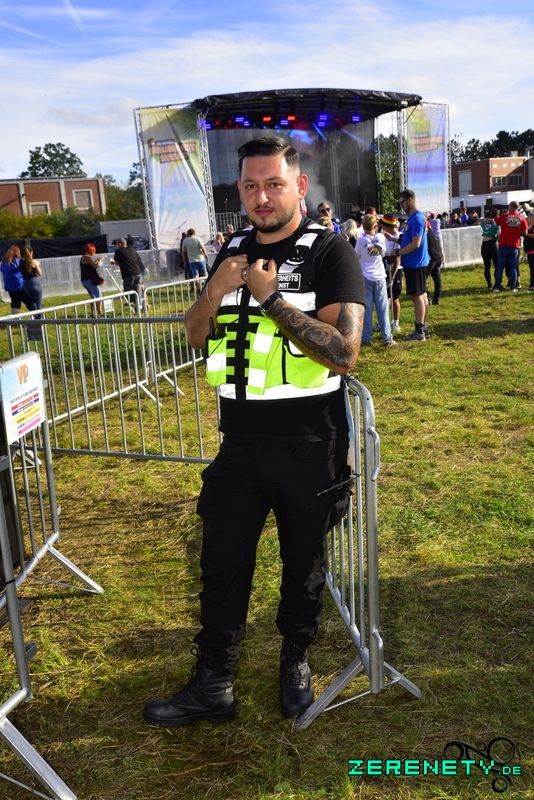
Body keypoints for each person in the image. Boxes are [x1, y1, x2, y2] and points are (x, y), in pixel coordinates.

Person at [142, 135, 365, 728]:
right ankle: (213, 683)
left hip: (311, 443)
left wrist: (269, 299)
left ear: (299, 186)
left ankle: (296, 662)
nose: (261, 197)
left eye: (273, 184)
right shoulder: (232, 249)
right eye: (249, 185)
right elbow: (196, 336)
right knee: (222, 561)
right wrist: (216, 291)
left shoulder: (330, 252)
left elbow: (344, 353)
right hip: (238, 442)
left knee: (303, 563)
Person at [356, 214, 395, 346]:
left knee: (367, 309)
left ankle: (366, 337)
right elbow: (385, 253)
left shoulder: (361, 241)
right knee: (382, 308)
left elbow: (356, 255)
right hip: (379, 276)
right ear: (375, 226)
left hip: (365, 276)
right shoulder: (381, 237)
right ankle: (387, 337)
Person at [397, 190, 430, 341]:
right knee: (422, 295)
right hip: (417, 262)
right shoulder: (415, 217)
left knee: (417, 297)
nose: (401, 206)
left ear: (409, 200)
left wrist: (398, 252)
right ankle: (423, 328)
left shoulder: (416, 218)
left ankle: (419, 331)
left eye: (402, 202)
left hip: (415, 263)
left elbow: (416, 243)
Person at [491, 202, 528, 292]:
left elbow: (494, 221)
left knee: (500, 267)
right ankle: (513, 287)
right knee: (513, 267)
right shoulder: (521, 218)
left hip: (503, 245)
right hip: (514, 245)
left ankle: (497, 286)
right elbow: (525, 233)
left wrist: (483, 220)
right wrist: (517, 233)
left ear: (511, 207)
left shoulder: (505, 217)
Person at [380, 214, 402, 332]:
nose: (382, 227)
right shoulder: (383, 236)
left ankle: (395, 322)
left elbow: (397, 258)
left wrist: (392, 276)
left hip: (395, 270)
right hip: (385, 268)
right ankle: (383, 322)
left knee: (394, 297)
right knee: (385, 297)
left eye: (383, 225)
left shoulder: (397, 236)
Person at [111, 237, 145, 304]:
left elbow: (117, 261)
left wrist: (113, 262)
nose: (116, 246)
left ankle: (133, 302)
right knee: (138, 292)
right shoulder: (132, 250)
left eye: (117, 244)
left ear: (120, 244)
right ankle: (139, 306)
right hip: (138, 273)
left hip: (128, 274)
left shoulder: (118, 251)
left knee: (128, 291)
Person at [1, 245, 31, 315]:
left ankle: (15, 319)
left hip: (9, 286)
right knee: (29, 301)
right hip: (19, 284)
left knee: (15, 303)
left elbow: (2, 270)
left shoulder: (4, 261)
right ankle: (37, 317)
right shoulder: (17, 260)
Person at [80, 243, 104, 317]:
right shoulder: (88, 257)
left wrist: (97, 260)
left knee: (92, 297)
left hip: (84, 280)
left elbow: (90, 266)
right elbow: (95, 266)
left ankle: (93, 313)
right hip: (89, 280)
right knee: (99, 296)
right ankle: (100, 313)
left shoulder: (83, 257)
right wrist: (100, 261)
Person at [480, 209, 500, 290]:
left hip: (484, 245)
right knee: (497, 265)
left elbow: (481, 221)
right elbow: (499, 234)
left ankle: (489, 284)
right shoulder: (496, 223)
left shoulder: (484, 222)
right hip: (492, 244)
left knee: (487, 266)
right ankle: (497, 283)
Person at [20, 246, 43, 312]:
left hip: (26, 283)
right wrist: (37, 265)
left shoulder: (21, 262)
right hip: (34, 282)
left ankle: (33, 316)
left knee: (32, 302)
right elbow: (40, 273)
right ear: (31, 252)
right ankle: (40, 317)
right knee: (38, 304)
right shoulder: (34, 262)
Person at [524, 213, 534, 290]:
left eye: (528, 218)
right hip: (529, 251)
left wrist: (526, 234)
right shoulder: (528, 227)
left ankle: (532, 285)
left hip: (533, 251)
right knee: (531, 268)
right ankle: (532, 284)